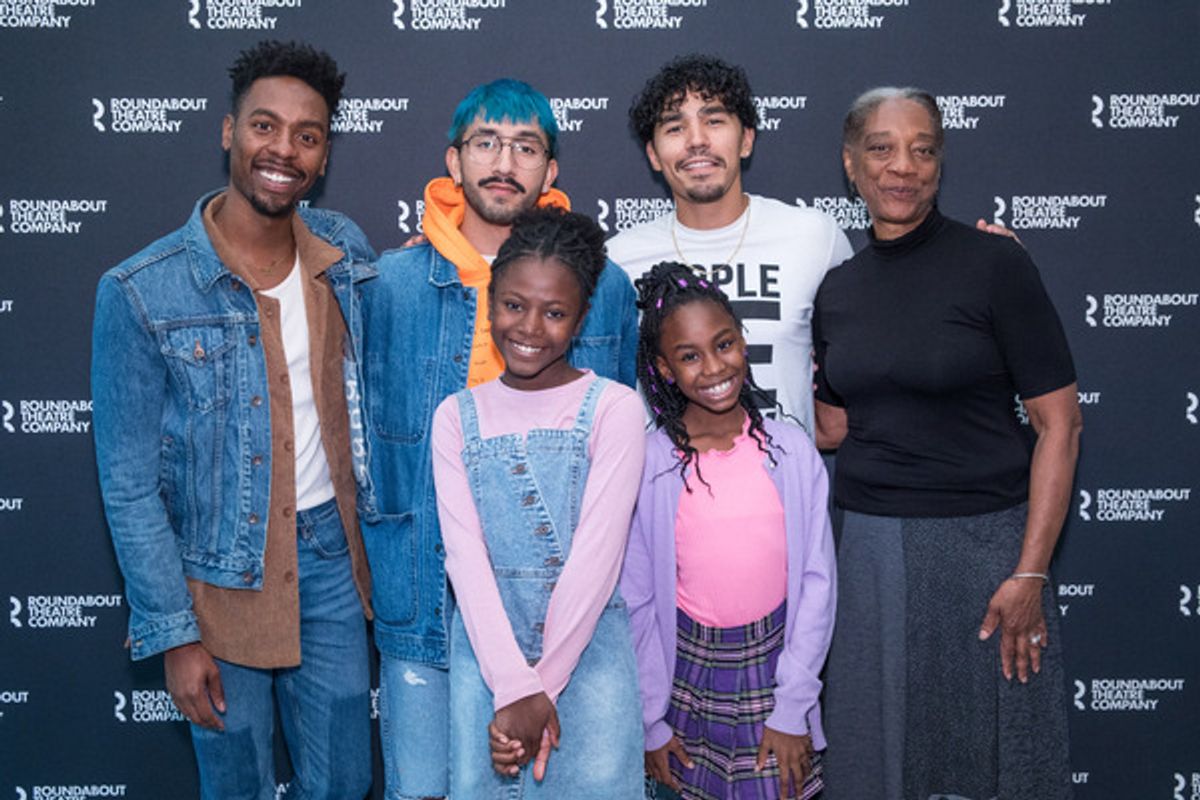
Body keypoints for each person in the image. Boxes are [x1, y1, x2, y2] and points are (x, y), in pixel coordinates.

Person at [92, 40, 375, 798]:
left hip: (329, 567)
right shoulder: (139, 292)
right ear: (228, 132)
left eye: (307, 135)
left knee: (345, 784)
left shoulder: (343, 253)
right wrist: (173, 633)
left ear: (323, 153)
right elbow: (126, 485)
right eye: (264, 126)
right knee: (237, 785)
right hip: (216, 584)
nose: (283, 149)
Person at [344, 78, 639, 800]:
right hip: (424, 600)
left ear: (551, 171)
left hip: (565, 616)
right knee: (423, 788)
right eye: (486, 142)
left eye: (526, 146)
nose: (504, 161)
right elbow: (353, 432)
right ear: (454, 158)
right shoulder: (389, 285)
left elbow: (616, 466)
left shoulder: (611, 289)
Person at [813, 87, 1081, 800]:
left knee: (1001, 767)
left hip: (988, 556)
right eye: (882, 148)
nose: (903, 166)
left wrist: (1031, 573)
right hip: (869, 550)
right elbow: (832, 424)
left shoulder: (996, 265)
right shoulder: (836, 289)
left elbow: (1060, 425)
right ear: (851, 164)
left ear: (939, 162)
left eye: (923, 149)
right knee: (875, 771)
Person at [429, 207, 645, 798]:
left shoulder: (615, 408)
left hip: (588, 662)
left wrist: (539, 689)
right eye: (514, 305)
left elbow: (596, 563)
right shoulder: (455, 416)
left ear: (578, 320)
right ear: (490, 301)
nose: (528, 327)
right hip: (488, 664)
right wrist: (511, 688)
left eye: (554, 313)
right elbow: (465, 562)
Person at [622, 262, 836, 800]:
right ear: (664, 369)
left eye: (723, 345)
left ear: (744, 343)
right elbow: (638, 601)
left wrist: (793, 709)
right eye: (689, 356)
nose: (713, 367)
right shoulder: (649, 463)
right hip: (687, 682)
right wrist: (652, 719)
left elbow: (816, 584)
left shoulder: (791, 451)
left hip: (777, 673)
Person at [608, 54, 853, 434]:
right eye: (675, 127)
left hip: (783, 484)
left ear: (747, 139)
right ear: (654, 155)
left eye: (714, 121)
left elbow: (855, 378)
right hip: (667, 488)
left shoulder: (815, 238)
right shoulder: (619, 260)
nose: (697, 141)